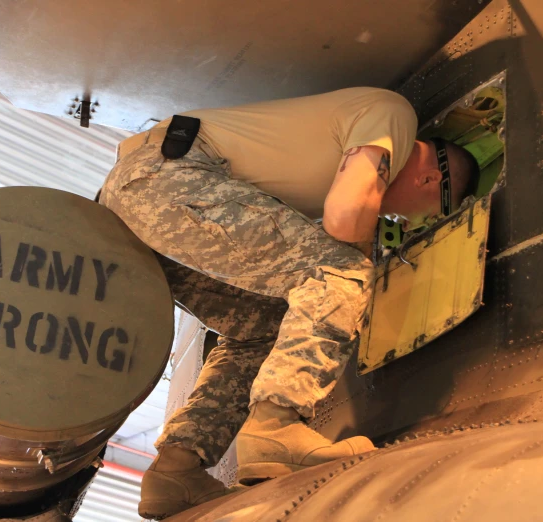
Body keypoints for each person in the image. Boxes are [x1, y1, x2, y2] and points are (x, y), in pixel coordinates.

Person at [98, 87, 480, 520]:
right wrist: (358, 267)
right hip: (166, 181)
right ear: (432, 180)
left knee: (266, 325)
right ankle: (276, 427)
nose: (412, 223)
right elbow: (344, 217)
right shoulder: (394, 115)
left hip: (139, 209)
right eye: (432, 212)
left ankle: (176, 469)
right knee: (342, 272)